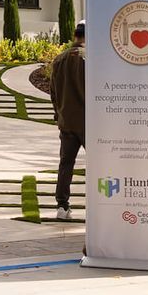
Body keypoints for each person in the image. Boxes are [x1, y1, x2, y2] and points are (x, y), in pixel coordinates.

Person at [49, 21, 88, 222]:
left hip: (67, 122)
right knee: (100, 165)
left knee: (66, 164)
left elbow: (53, 92)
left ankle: (62, 206)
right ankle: (102, 203)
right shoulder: (90, 59)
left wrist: (59, 114)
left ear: (74, 35)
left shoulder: (59, 59)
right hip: (90, 122)